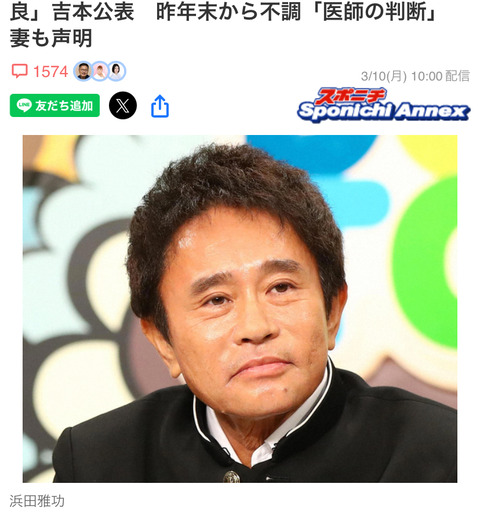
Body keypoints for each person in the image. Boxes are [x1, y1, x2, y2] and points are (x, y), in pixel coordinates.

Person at [53, 143, 456, 482]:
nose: (255, 327)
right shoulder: (95, 464)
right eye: (216, 300)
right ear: (162, 340)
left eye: (280, 288)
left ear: (333, 309)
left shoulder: (446, 451)